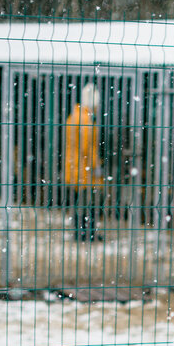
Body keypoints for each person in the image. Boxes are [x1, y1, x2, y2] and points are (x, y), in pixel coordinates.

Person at [64, 83, 103, 242]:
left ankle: (80, 232)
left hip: (73, 166)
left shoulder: (73, 116)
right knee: (90, 203)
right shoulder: (86, 120)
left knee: (78, 202)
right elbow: (88, 147)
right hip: (84, 170)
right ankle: (88, 233)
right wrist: (96, 166)